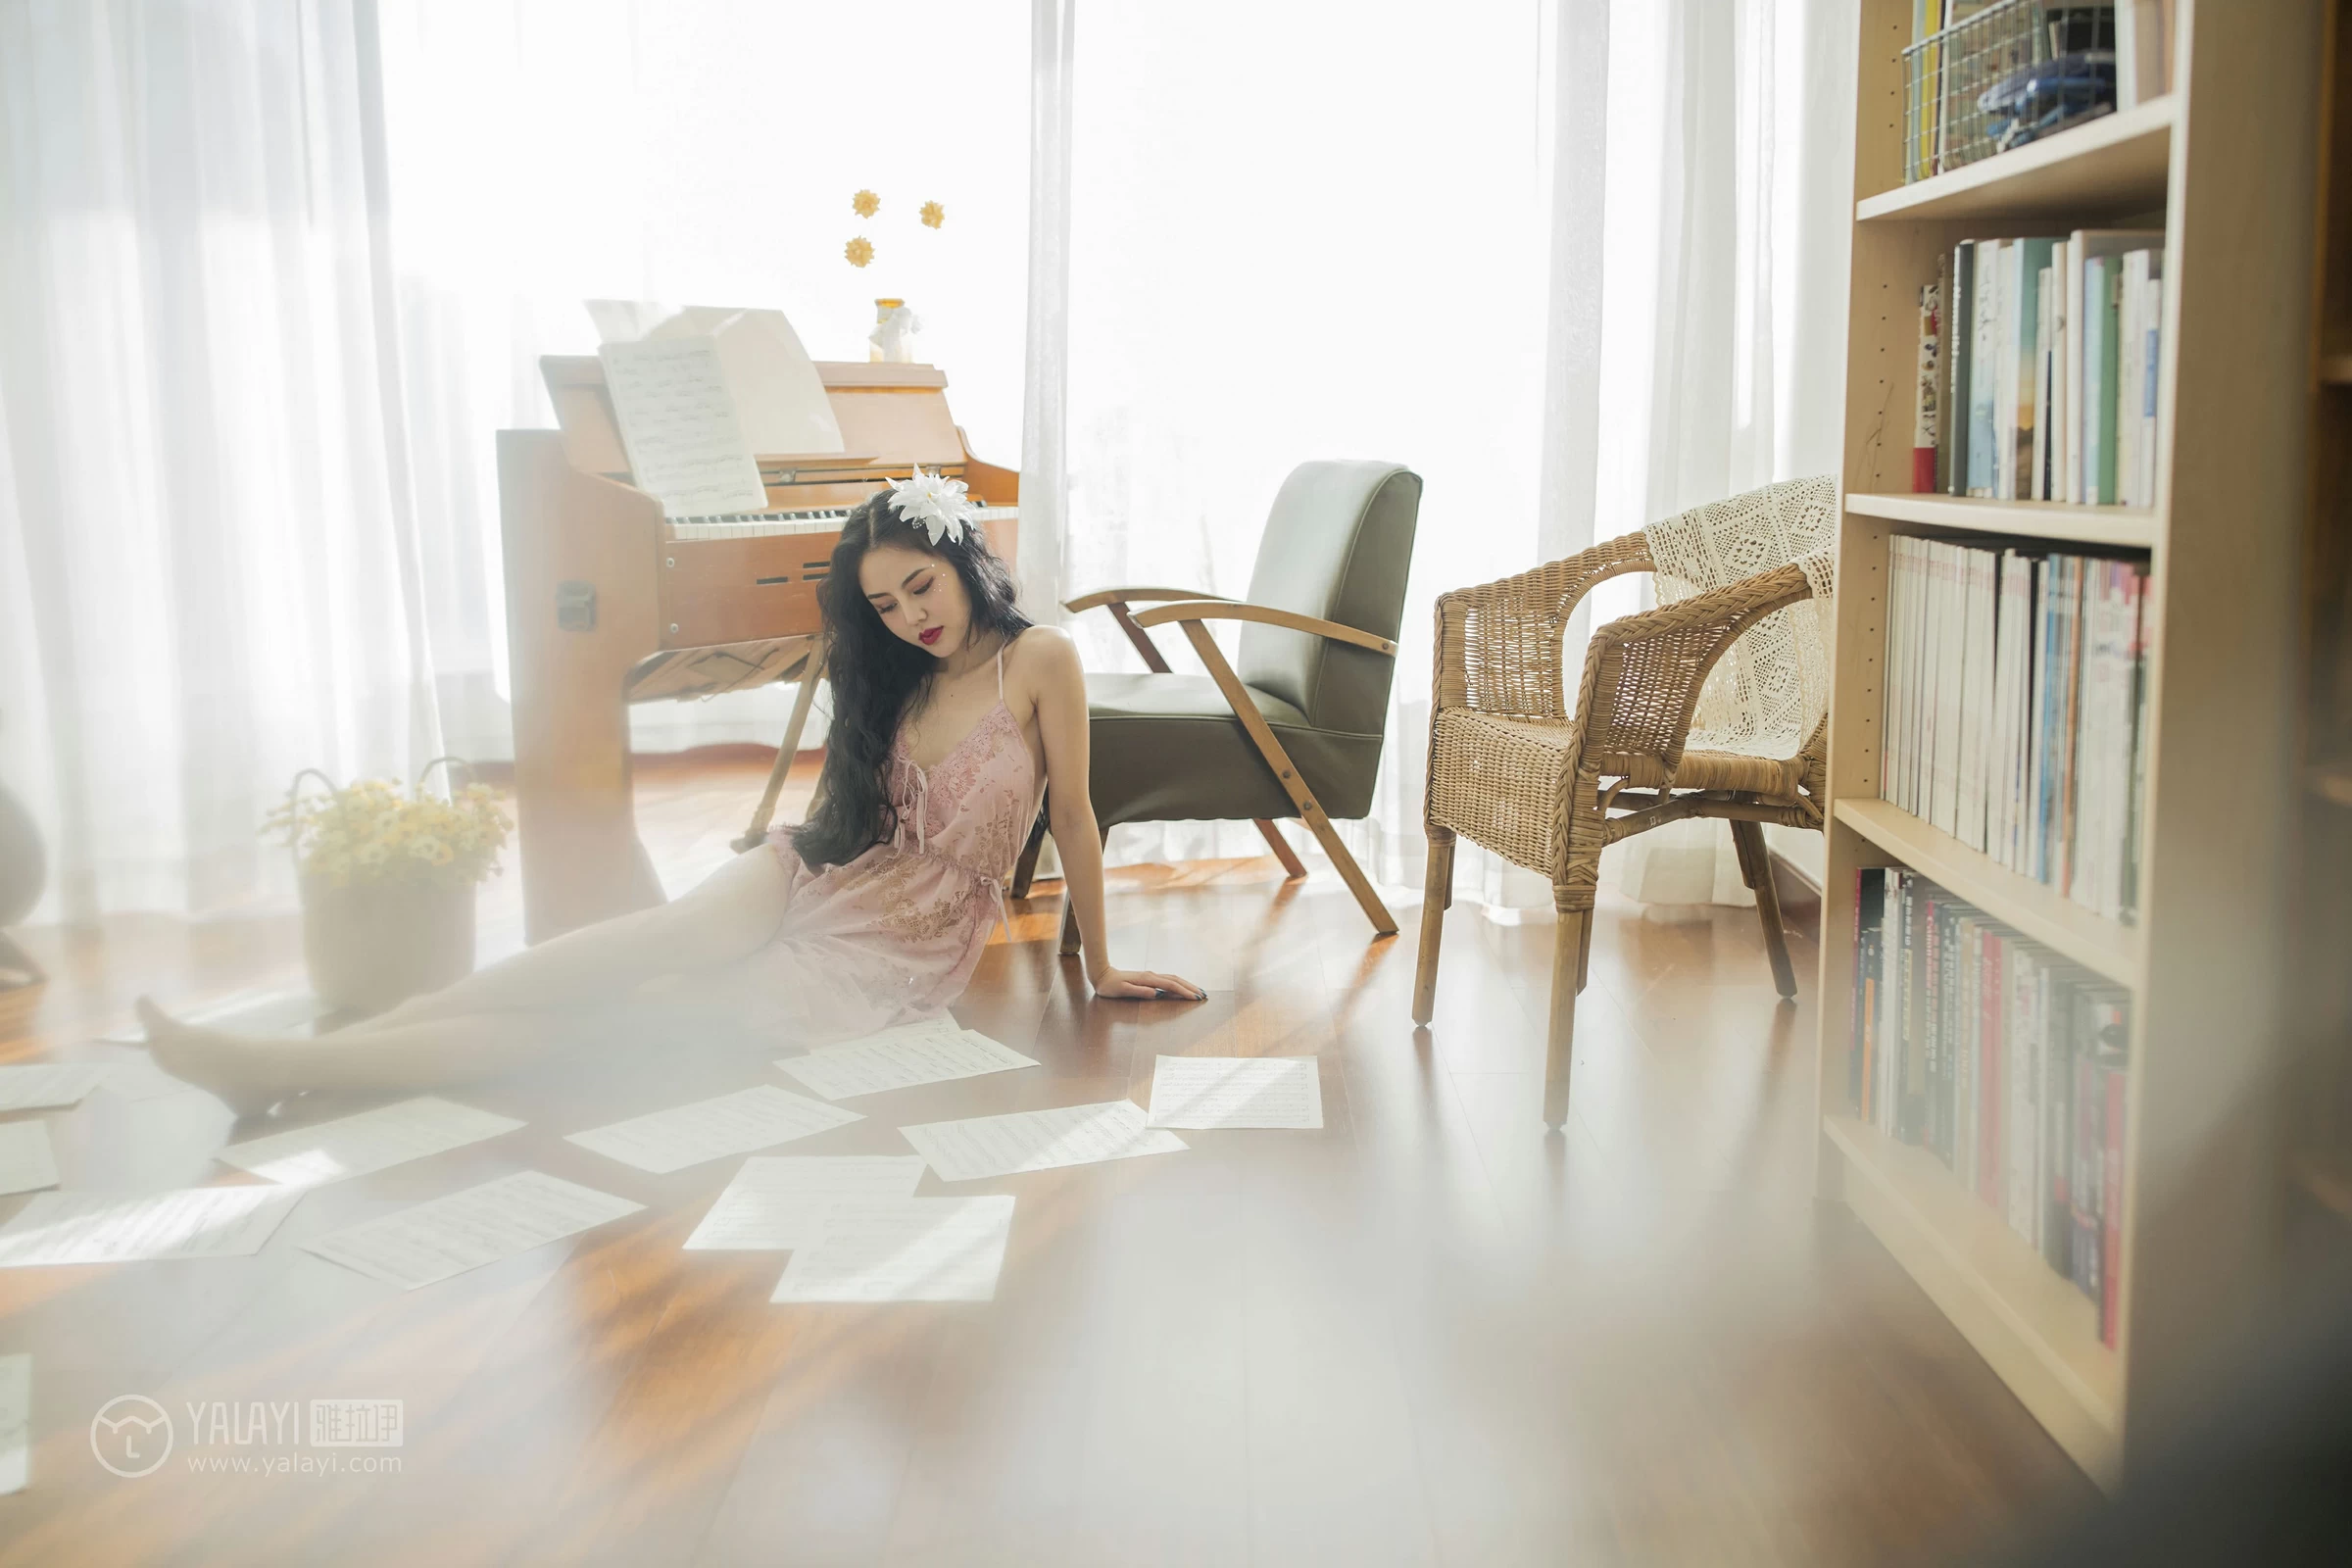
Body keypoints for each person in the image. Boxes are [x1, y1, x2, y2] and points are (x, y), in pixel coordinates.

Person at [140, 469, 1203, 1115]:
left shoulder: (1041, 660)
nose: (909, 617)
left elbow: (1075, 817)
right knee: (642, 943)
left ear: (963, 557)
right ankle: (333, 1049)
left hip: (904, 939)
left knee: (619, 1019)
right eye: (882, 605)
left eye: (919, 586)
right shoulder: (894, 672)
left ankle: (298, 1070)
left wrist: (1101, 964)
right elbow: (848, 810)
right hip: (818, 867)